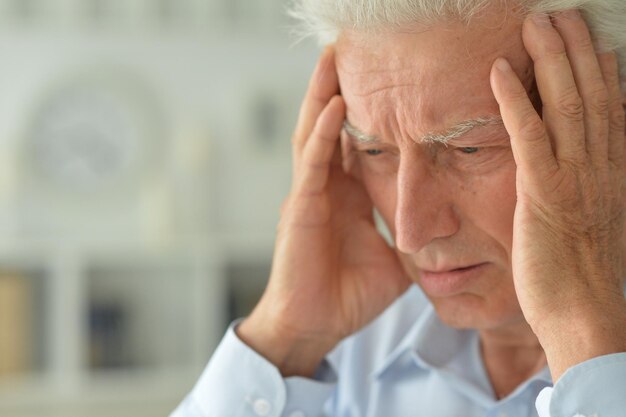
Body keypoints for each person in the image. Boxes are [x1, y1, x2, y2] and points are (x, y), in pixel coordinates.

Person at [172, 0, 626, 416]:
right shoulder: (347, 342)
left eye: (469, 148)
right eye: (375, 153)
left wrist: (582, 333)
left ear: (613, 122)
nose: (409, 232)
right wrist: (286, 338)